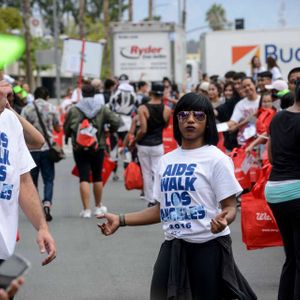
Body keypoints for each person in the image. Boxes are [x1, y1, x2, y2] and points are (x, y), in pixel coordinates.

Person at [97, 93, 256, 300]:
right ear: (176, 121)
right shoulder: (165, 161)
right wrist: (121, 220)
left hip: (209, 246)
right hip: (174, 246)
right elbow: (161, 210)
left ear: (207, 121)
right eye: (184, 115)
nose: (190, 120)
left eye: (198, 115)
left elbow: (230, 206)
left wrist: (224, 218)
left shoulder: (217, 159)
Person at [0, 81, 56, 268]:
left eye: (9, 94)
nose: (7, 93)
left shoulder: (9, 120)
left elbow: (23, 180)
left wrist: (42, 227)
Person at [264, 78, 300, 300]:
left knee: (291, 256)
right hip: (296, 190)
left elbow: (270, 156)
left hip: (275, 190)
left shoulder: (277, 118)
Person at [64, 83, 120, 218]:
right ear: (95, 94)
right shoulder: (101, 108)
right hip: (97, 146)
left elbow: (66, 127)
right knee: (97, 177)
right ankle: (98, 206)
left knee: (83, 176)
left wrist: (69, 136)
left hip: (79, 147)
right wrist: (108, 130)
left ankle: (86, 210)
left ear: (82, 93)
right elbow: (116, 121)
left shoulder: (74, 109)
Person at [21, 86, 61, 222]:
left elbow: (20, 128)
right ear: (47, 96)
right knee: (48, 179)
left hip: (31, 149)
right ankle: (47, 204)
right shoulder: (51, 108)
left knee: (32, 181)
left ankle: (36, 207)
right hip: (47, 149)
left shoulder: (27, 109)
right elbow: (57, 127)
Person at [132, 83, 171, 207]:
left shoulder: (143, 108)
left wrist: (134, 141)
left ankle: (150, 199)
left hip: (143, 144)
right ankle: (158, 197)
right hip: (158, 144)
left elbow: (143, 130)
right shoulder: (167, 109)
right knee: (157, 171)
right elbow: (165, 126)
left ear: (151, 93)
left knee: (146, 172)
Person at [227, 77, 260, 146]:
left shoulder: (263, 100)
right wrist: (221, 127)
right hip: (245, 142)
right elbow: (233, 121)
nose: (247, 88)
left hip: (260, 139)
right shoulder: (240, 104)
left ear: (254, 85)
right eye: (244, 87)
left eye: (249, 85)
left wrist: (237, 126)